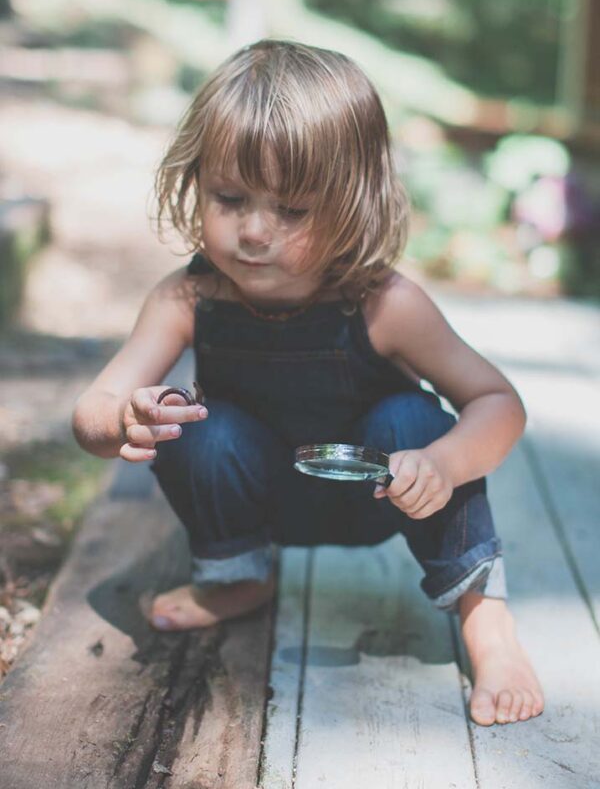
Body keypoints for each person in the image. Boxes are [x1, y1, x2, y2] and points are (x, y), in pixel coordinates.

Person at [72, 39, 544, 727]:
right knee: (196, 422)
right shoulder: (187, 298)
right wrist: (125, 419)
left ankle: (485, 617)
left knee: (411, 419)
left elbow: (500, 404)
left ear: (351, 204)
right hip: (257, 500)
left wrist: (443, 464)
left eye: (291, 210)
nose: (254, 231)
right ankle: (239, 575)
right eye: (229, 197)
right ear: (196, 180)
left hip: (381, 494)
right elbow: (94, 409)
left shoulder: (382, 303)